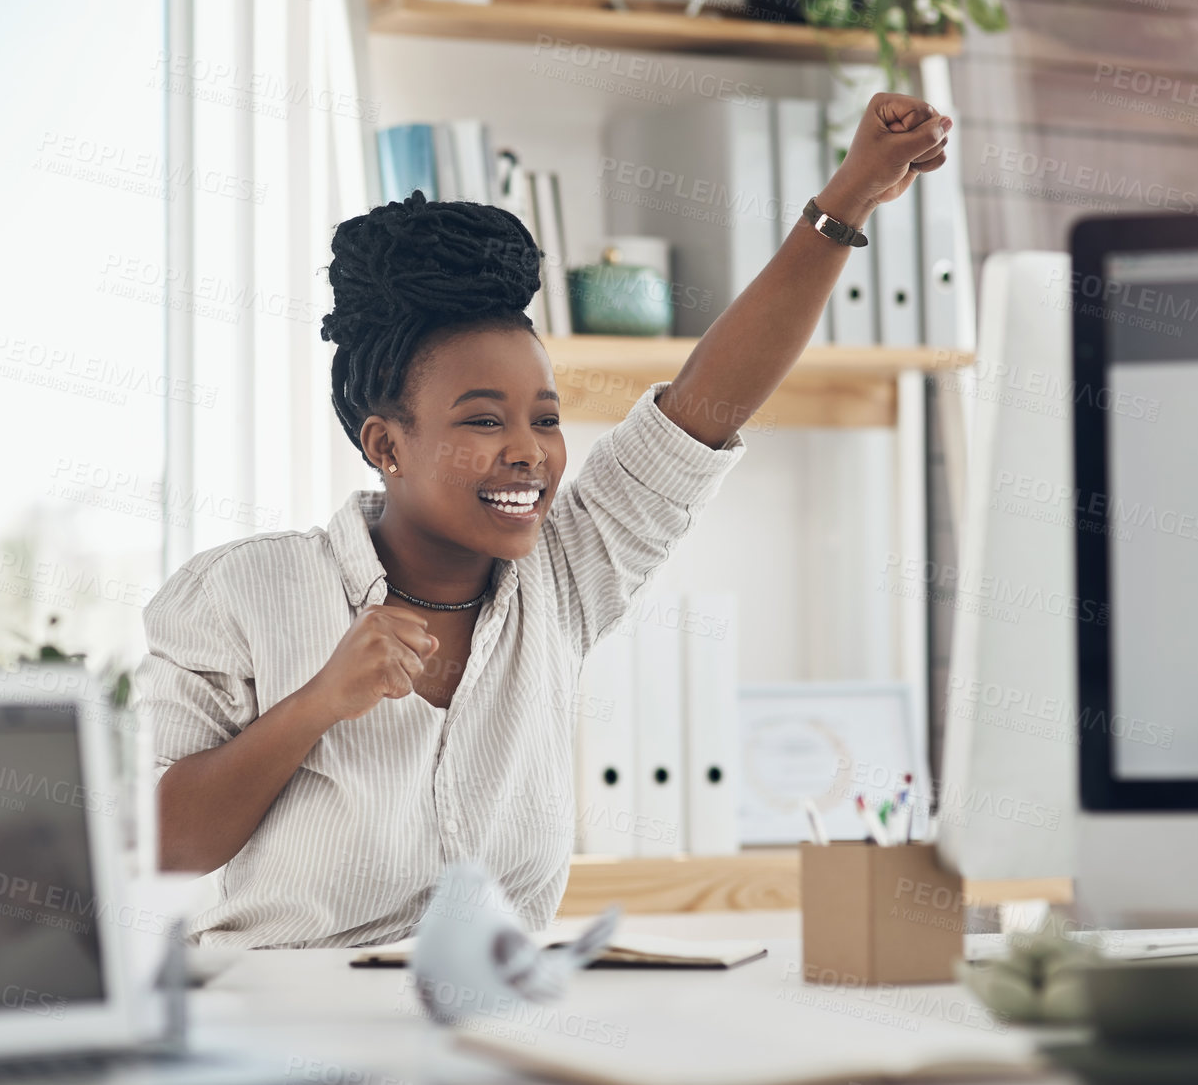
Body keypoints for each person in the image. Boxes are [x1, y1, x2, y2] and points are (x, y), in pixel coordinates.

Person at [135, 93, 951, 949]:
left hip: (496, 1031)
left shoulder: (564, 576)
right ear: (387, 444)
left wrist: (848, 199)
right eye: (484, 421)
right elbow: (168, 846)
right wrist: (315, 704)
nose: (528, 452)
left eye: (546, 418)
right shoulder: (242, 592)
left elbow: (710, 400)